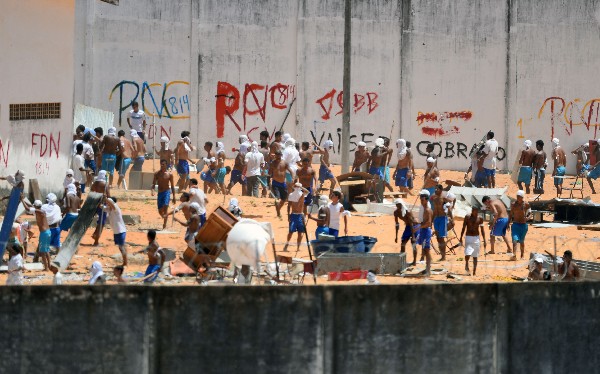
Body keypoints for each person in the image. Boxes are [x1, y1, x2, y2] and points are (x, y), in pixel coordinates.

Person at [22, 199, 51, 271]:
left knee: (43, 252)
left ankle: (46, 268)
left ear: (36, 206)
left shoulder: (40, 212)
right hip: (47, 232)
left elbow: (28, 208)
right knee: (46, 250)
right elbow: (31, 207)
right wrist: (23, 200)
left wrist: (22, 200)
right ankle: (49, 266)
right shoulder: (39, 211)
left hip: (44, 233)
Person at [459, 205, 486, 275]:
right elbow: (463, 227)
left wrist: (484, 239)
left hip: (476, 238)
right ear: (472, 211)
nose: (475, 212)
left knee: (475, 255)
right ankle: (467, 264)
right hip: (468, 237)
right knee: (467, 253)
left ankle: (474, 271)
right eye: (474, 210)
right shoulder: (467, 217)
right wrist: (461, 237)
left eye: (476, 211)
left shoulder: (480, 218)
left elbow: (482, 229)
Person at [283, 183, 309, 252]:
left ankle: (298, 247)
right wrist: (288, 215)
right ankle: (286, 245)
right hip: (293, 215)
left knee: (300, 232)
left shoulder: (302, 194)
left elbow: (307, 192)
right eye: (296, 186)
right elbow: (289, 205)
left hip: (300, 215)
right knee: (291, 231)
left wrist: (301, 187)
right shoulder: (291, 195)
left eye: (298, 187)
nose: (297, 188)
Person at [151, 159, 176, 230]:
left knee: (165, 207)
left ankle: (164, 225)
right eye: (161, 164)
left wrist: (174, 196)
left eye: (163, 164)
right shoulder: (157, 174)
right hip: (160, 193)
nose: (162, 166)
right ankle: (164, 216)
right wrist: (152, 190)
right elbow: (153, 184)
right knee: (160, 210)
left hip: (167, 192)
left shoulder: (169, 174)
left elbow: (172, 186)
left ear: (166, 165)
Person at [394, 199, 419, 266]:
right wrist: (396, 236)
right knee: (403, 244)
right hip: (408, 227)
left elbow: (411, 223)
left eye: (399, 205)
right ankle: (402, 261)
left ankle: (414, 261)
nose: (398, 206)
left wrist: (413, 236)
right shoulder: (396, 213)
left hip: (414, 226)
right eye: (397, 205)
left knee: (413, 244)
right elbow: (397, 224)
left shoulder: (407, 212)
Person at [270, 150, 293, 218]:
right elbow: (269, 172)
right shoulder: (273, 163)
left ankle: (278, 209)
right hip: (275, 183)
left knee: (284, 199)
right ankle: (278, 213)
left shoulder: (284, 163)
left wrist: (293, 178)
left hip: (283, 183)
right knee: (277, 198)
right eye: (276, 154)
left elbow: (291, 171)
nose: (277, 156)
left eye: (279, 154)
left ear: (281, 155)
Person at [431, 185, 451, 261]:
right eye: (435, 189)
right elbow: (435, 211)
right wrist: (432, 221)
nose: (436, 190)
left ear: (441, 190)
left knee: (441, 237)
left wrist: (450, 217)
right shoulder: (435, 199)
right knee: (438, 238)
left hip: (443, 218)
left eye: (437, 189)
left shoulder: (444, 199)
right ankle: (441, 255)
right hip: (437, 219)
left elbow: (450, 207)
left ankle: (443, 256)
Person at [106, 197, 128, 266]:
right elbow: (101, 207)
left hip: (120, 231)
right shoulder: (109, 210)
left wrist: (105, 199)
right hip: (116, 232)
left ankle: (125, 262)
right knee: (120, 247)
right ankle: (125, 260)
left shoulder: (116, 208)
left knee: (121, 247)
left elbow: (112, 204)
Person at [91, 170, 110, 246]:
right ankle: (96, 240)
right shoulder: (105, 184)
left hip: (94, 203)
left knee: (99, 222)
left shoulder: (94, 184)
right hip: (102, 204)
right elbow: (108, 195)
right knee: (102, 222)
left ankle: (95, 234)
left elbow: (92, 193)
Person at [417, 190, 433, 276]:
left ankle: (428, 269)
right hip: (424, 229)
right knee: (425, 249)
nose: (421, 202)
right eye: (421, 200)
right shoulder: (424, 208)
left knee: (427, 250)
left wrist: (419, 227)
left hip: (426, 230)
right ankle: (427, 268)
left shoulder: (427, 210)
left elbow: (428, 223)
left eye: (423, 200)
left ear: (426, 200)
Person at [510, 190, 530, 260]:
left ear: (522, 197)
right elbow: (511, 214)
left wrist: (528, 218)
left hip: (523, 225)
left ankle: (522, 255)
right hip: (515, 224)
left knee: (521, 241)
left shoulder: (526, 204)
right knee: (515, 240)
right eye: (517, 196)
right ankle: (514, 255)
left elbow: (530, 213)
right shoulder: (513, 204)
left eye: (520, 197)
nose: (518, 198)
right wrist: (507, 223)